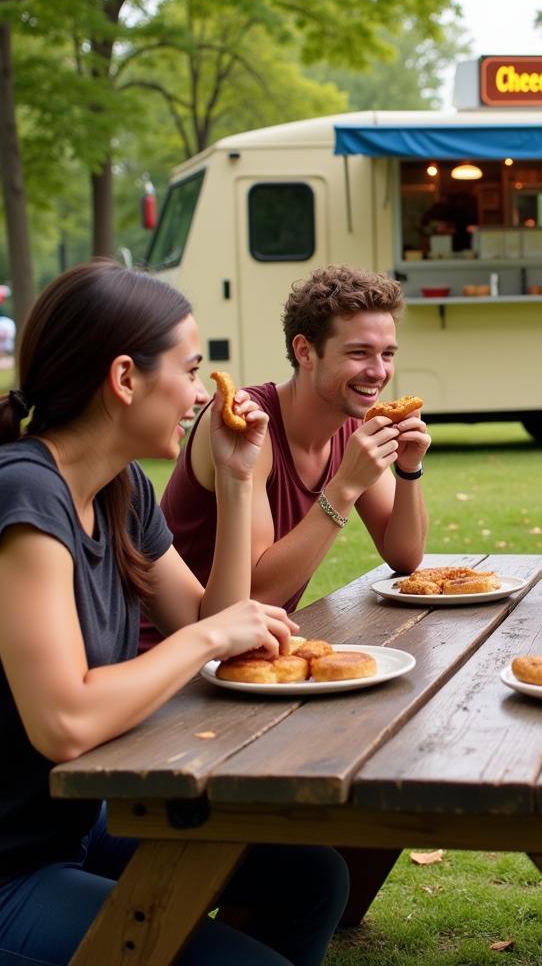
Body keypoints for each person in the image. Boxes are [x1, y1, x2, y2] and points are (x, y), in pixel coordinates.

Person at [0, 260, 348, 965]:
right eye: (190, 371)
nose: (198, 393)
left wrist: (238, 477)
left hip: (75, 824)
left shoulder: (121, 487)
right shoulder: (26, 499)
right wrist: (215, 632)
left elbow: (208, 622)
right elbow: (65, 721)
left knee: (310, 876)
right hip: (12, 868)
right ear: (125, 378)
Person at [139, 263, 429, 652]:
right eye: (360, 353)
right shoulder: (245, 425)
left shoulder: (349, 425)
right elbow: (257, 594)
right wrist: (343, 489)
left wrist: (409, 470)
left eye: (387, 354)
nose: (378, 372)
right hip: (171, 658)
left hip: (249, 654)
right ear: (305, 351)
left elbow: (405, 556)